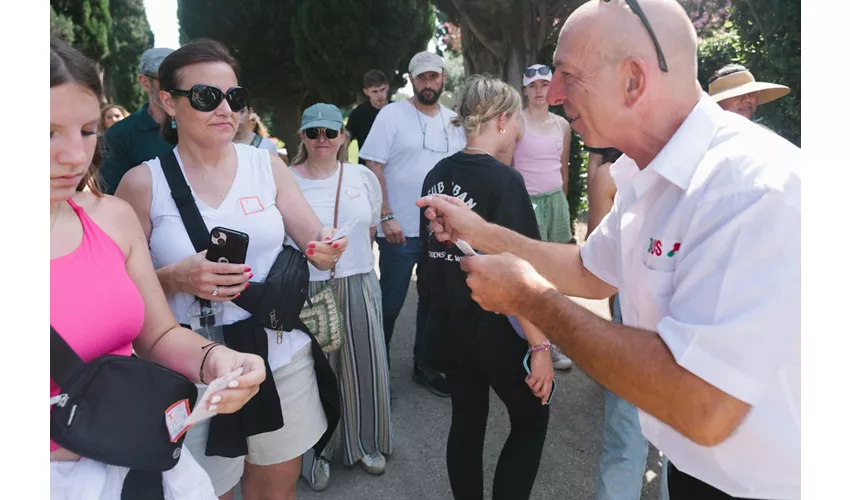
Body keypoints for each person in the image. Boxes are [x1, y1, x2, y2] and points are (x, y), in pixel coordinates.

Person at [418, 1, 800, 499]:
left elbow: (704, 405)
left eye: (567, 76)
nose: (552, 96)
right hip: (699, 474)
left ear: (633, 81)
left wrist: (532, 302)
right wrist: (485, 233)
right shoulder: (651, 175)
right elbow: (590, 270)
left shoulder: (751, 187)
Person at [115, 39, 347, 500]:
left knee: (274, 490)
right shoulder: (143, 183)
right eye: (207, 96)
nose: (226, 109)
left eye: (235, 98)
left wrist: (327, 247)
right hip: (189, 367)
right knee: (206, 491)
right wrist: (172, 279)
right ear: (168, 102)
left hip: (277, 354)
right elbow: (113, 289)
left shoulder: (267, 165)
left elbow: (312, 235)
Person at [50, 36, 266, 500]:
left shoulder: (111, 217)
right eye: (44, 133)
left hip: (140, 462)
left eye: (87, 131)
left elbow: (159, 335)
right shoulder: (143, 185)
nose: (73, 155)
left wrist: (217, 361)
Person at [420, 74, 553, 500]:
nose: (518, 131)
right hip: (493, 331)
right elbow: (523, 276)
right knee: (532, 421)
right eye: (516, 121)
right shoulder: (505, 181)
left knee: (467, 420)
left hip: (449, 326)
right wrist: (540, 348)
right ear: (501, 120)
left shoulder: (436, 175)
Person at [289, 103, 393, 491]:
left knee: (364, 364)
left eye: (330, 133)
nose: (322, 140)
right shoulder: (286, 179)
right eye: (314, 133)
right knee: (313, 375)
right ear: (302, 136)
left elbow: (368, 231)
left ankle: (366, 442)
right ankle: (317, 451)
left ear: (342, 137)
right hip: (307, 287)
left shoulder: (362, 176)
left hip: (358, 281)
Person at [359, 51, 466, 397]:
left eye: (434, 77)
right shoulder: (392, 115)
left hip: (439, 233)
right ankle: (377, 370)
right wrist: (386, 216)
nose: (428, 84)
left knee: (434, 302)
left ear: (442, 79)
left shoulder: (454, 121)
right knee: (389, 303)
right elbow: (373, 167)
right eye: (422, 78)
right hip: (399, 231)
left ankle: (425, 365)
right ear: (411, 80)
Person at [589, 148, 670, 500]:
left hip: (689, 325)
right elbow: (595, 264)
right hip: (636, 315)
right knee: (627, 437)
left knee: (687, 456)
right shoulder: (616, 174)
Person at [512, 63, 575, 371]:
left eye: (544, 84)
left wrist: (563, 204)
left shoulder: (562, 125)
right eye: (533, 85)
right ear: (524, 89)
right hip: (527, 205)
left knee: (555, 277)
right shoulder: (516, 123)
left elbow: (563, 169)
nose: (539, 91)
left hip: (555, 205)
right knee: (530, 277)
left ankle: (554, 343)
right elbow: (508, 170)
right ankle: (534, 343)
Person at [100, 47, 175, 195]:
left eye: (181, 78)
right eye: (167, 80)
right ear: (145, 83)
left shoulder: (197, 125)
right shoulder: (119, 135)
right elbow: (111, 198)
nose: (176, 86)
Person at [707, 63, 790, 121]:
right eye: (737, 94)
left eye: (751, 93)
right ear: (718, 102)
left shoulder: (764, 136)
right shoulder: (705, 139)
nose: (747, 99)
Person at [346, 69, 390, 165]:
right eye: (374, 91)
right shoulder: (357, 114)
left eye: (382, 90)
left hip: (395, 167)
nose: (380, 95)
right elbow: (345, 142)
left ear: (387, 87)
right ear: (366, 92)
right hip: (367, 171)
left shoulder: (398, 110)